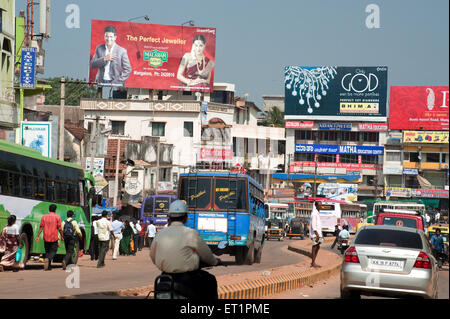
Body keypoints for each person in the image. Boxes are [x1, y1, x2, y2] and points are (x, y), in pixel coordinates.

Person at [150, 200, 220, 300]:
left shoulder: (160, 234)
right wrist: (215, 261)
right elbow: (207, 255)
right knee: (210, 280)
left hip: (164, 277)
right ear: (186, 218)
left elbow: (152, 256)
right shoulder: (191, 233)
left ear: (169, 217)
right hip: (187, 279)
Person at [90, 25, 132, 92]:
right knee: (98, 100)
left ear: (115, 37)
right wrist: (104, 59)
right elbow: (92, 64)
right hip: (101, 82)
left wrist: (117, 81)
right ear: (104, 37)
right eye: (107, 36)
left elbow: (128, 69)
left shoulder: (121, 51)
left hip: (116, 85)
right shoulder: (99, 48)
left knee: (117, 101)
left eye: (111, 37)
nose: (109, 39)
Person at [35, 204, 64, 271]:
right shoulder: (57, 217)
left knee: (47, 251)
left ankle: (48, 266)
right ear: (55, 210)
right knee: (53, 251)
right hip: (54, 237)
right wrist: (62, 236)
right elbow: (59, 228)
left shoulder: (44, 217)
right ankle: (48, 259)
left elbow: (41, 227)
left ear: (49, 209)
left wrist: (37, 236)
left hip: (46, 237)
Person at [309, 201, 323, 268]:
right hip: (315, 234)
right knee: (314, 247)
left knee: (317, 247)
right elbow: (313, 225)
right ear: (316, 206)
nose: (321, 207)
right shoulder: (314, 213)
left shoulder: (317, 213)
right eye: (320, 205)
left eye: (321, 205)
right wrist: (317, 234)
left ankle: (313, 262)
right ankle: (313, 262)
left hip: (318, 234)